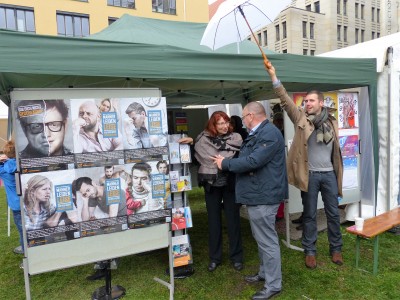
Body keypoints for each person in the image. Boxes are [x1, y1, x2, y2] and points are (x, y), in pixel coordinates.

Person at [265, 60, 344, 269]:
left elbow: (336, 151)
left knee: (333, 213)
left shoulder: (331, 121)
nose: (307, 103)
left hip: (329, 175)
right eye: (306, 101)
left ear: (320, 103)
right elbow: (284, 100)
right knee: (308, 215)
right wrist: (274, 76)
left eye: (311, 101)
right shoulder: (300, 118)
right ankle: (310, 251)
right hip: (310, 175)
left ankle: (336, 249)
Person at [213, 102, 287, 300]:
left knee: (267, 241)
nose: (242, 121)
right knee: (261, 239)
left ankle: (273, 284)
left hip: (264, 195)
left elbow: (254, 161)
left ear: (251, 116)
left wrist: (225, 164)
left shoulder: (268, 133)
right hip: (258, 194)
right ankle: (265, 274)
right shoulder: (260, 132)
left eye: (243, 117)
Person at [183, 111, 244, 272]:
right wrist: (190, 144)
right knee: (214, 222)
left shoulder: (236, 138)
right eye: (221, 123)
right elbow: (197, 157)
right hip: (211, 184)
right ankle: (215, 258)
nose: (225, 126)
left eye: (226, 122)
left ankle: (236, 257)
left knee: (233, 221)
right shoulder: (202, 140)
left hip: (230, 183)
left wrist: (224, 163)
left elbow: (239, 160)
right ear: (213, 125)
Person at [0, 140, 24, 254]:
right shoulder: (24, 164)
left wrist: (3, 160)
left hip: (16, 205)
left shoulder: (3, 170)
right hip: (29, 202)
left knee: (22, 229)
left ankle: (25, 250)